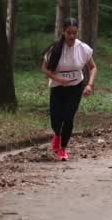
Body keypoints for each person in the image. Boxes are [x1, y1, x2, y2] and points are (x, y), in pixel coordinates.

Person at [41, 17, 98, 162]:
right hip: (57, 87)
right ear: (63, 32)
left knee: (68, 118)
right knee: (56, 120)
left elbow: (93, 67)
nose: (72, 36)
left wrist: (89, 84)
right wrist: (59, 80)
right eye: (69, 33)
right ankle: (57, 135)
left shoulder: (83, 48)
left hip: (75, 88)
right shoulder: (55, 49)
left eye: (74, 33)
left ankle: (62, 148)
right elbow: (44, 68)